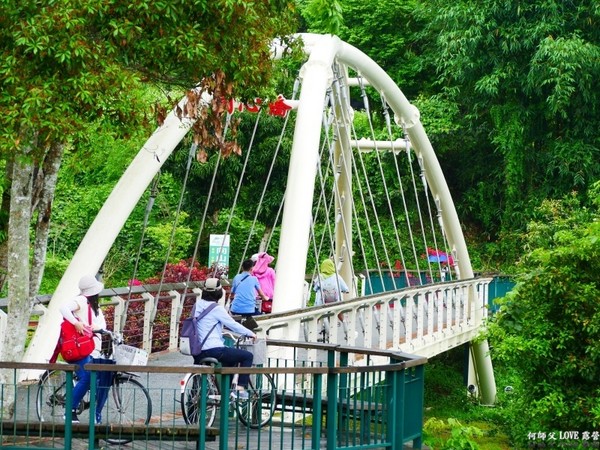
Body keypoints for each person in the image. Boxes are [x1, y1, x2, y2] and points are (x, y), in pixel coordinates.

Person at [59, 274, 113, 424]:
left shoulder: (94, 306)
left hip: (90, 347)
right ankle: (69, 410)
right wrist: (75, 322)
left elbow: (100, 325)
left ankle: (85, 408)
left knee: (93, 378)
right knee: (88, 377)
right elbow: (63, 308)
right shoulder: (82, 300)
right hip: (80, 348)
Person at [193, 278, 257, 399]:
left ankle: (193, 403)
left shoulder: (197, 305)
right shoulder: (216, 308)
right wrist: (250, 333)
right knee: (247, 356)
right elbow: (232, 324)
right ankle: (240, 389)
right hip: (214, 349)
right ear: (219, 293)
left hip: (197, 350)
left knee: (227, 362)